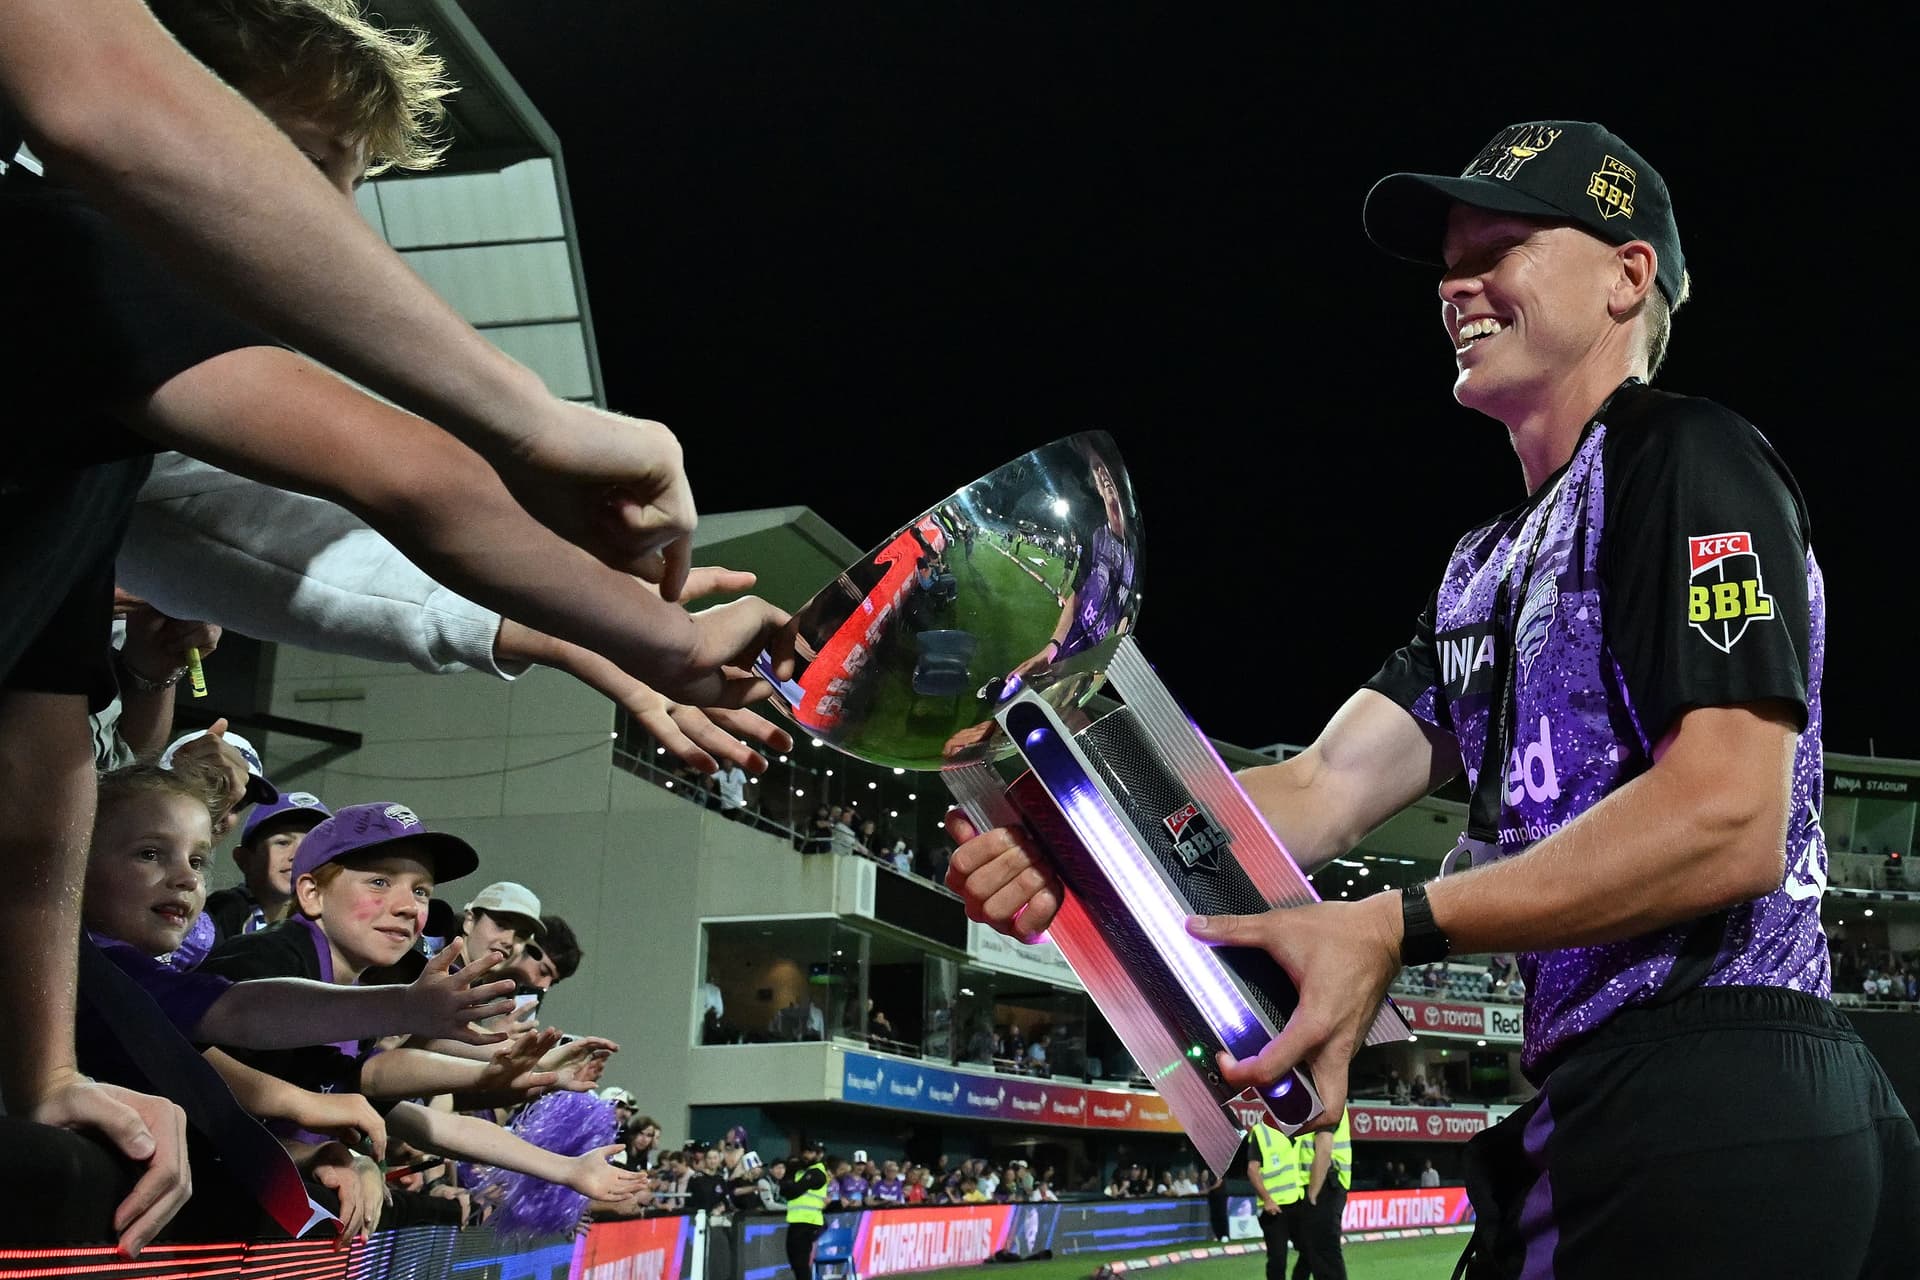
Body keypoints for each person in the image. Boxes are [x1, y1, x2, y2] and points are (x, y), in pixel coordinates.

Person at [945, 119, 1919, 1277]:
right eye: (1450, 261)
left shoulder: (1685, 456)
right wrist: (1080, 846)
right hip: (1611, 1100)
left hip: (1722, 1083)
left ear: (1628, 275)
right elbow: (1317, 788)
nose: (1456, 284)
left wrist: (1395, 923)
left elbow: (1730, 814)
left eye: (1499, 245)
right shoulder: (1481, 567)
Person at [205, 790, 332, 941]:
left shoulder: (326, 921)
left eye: (311, 845)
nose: (299, 856)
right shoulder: (223, 913)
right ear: (244, 859)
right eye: (283, 842)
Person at [1291, 1109, 1351, 1280]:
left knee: (1324, 1254)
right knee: (1317, 1252)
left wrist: (1312, 1194)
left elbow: (1324, 1149)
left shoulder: (1327, 1102)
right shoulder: (1327, 1102)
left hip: (1324, 1187)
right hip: (1324, 1186)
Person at [1247, 1122, 1306, 1280]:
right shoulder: (1261, 1132)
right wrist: (1267, 1199)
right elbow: (1253, 1169)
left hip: (1298, 1200)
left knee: (1310, 1250)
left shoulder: (1299, 1126)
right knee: (1278, 1260)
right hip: (1274, 1209)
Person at [781, 1139, 831, 1280]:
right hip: (797, 1221)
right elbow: (783, 1190)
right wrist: (790, 1187)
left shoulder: (818, 1173)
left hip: (808, 1222)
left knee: (800, 1263)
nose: (806, 1155)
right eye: (805, 1151)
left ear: (818, 1154)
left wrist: (790, 1187)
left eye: (810, 1152)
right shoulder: (802, 1171)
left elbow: (793, 1191)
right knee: (796, 1262)